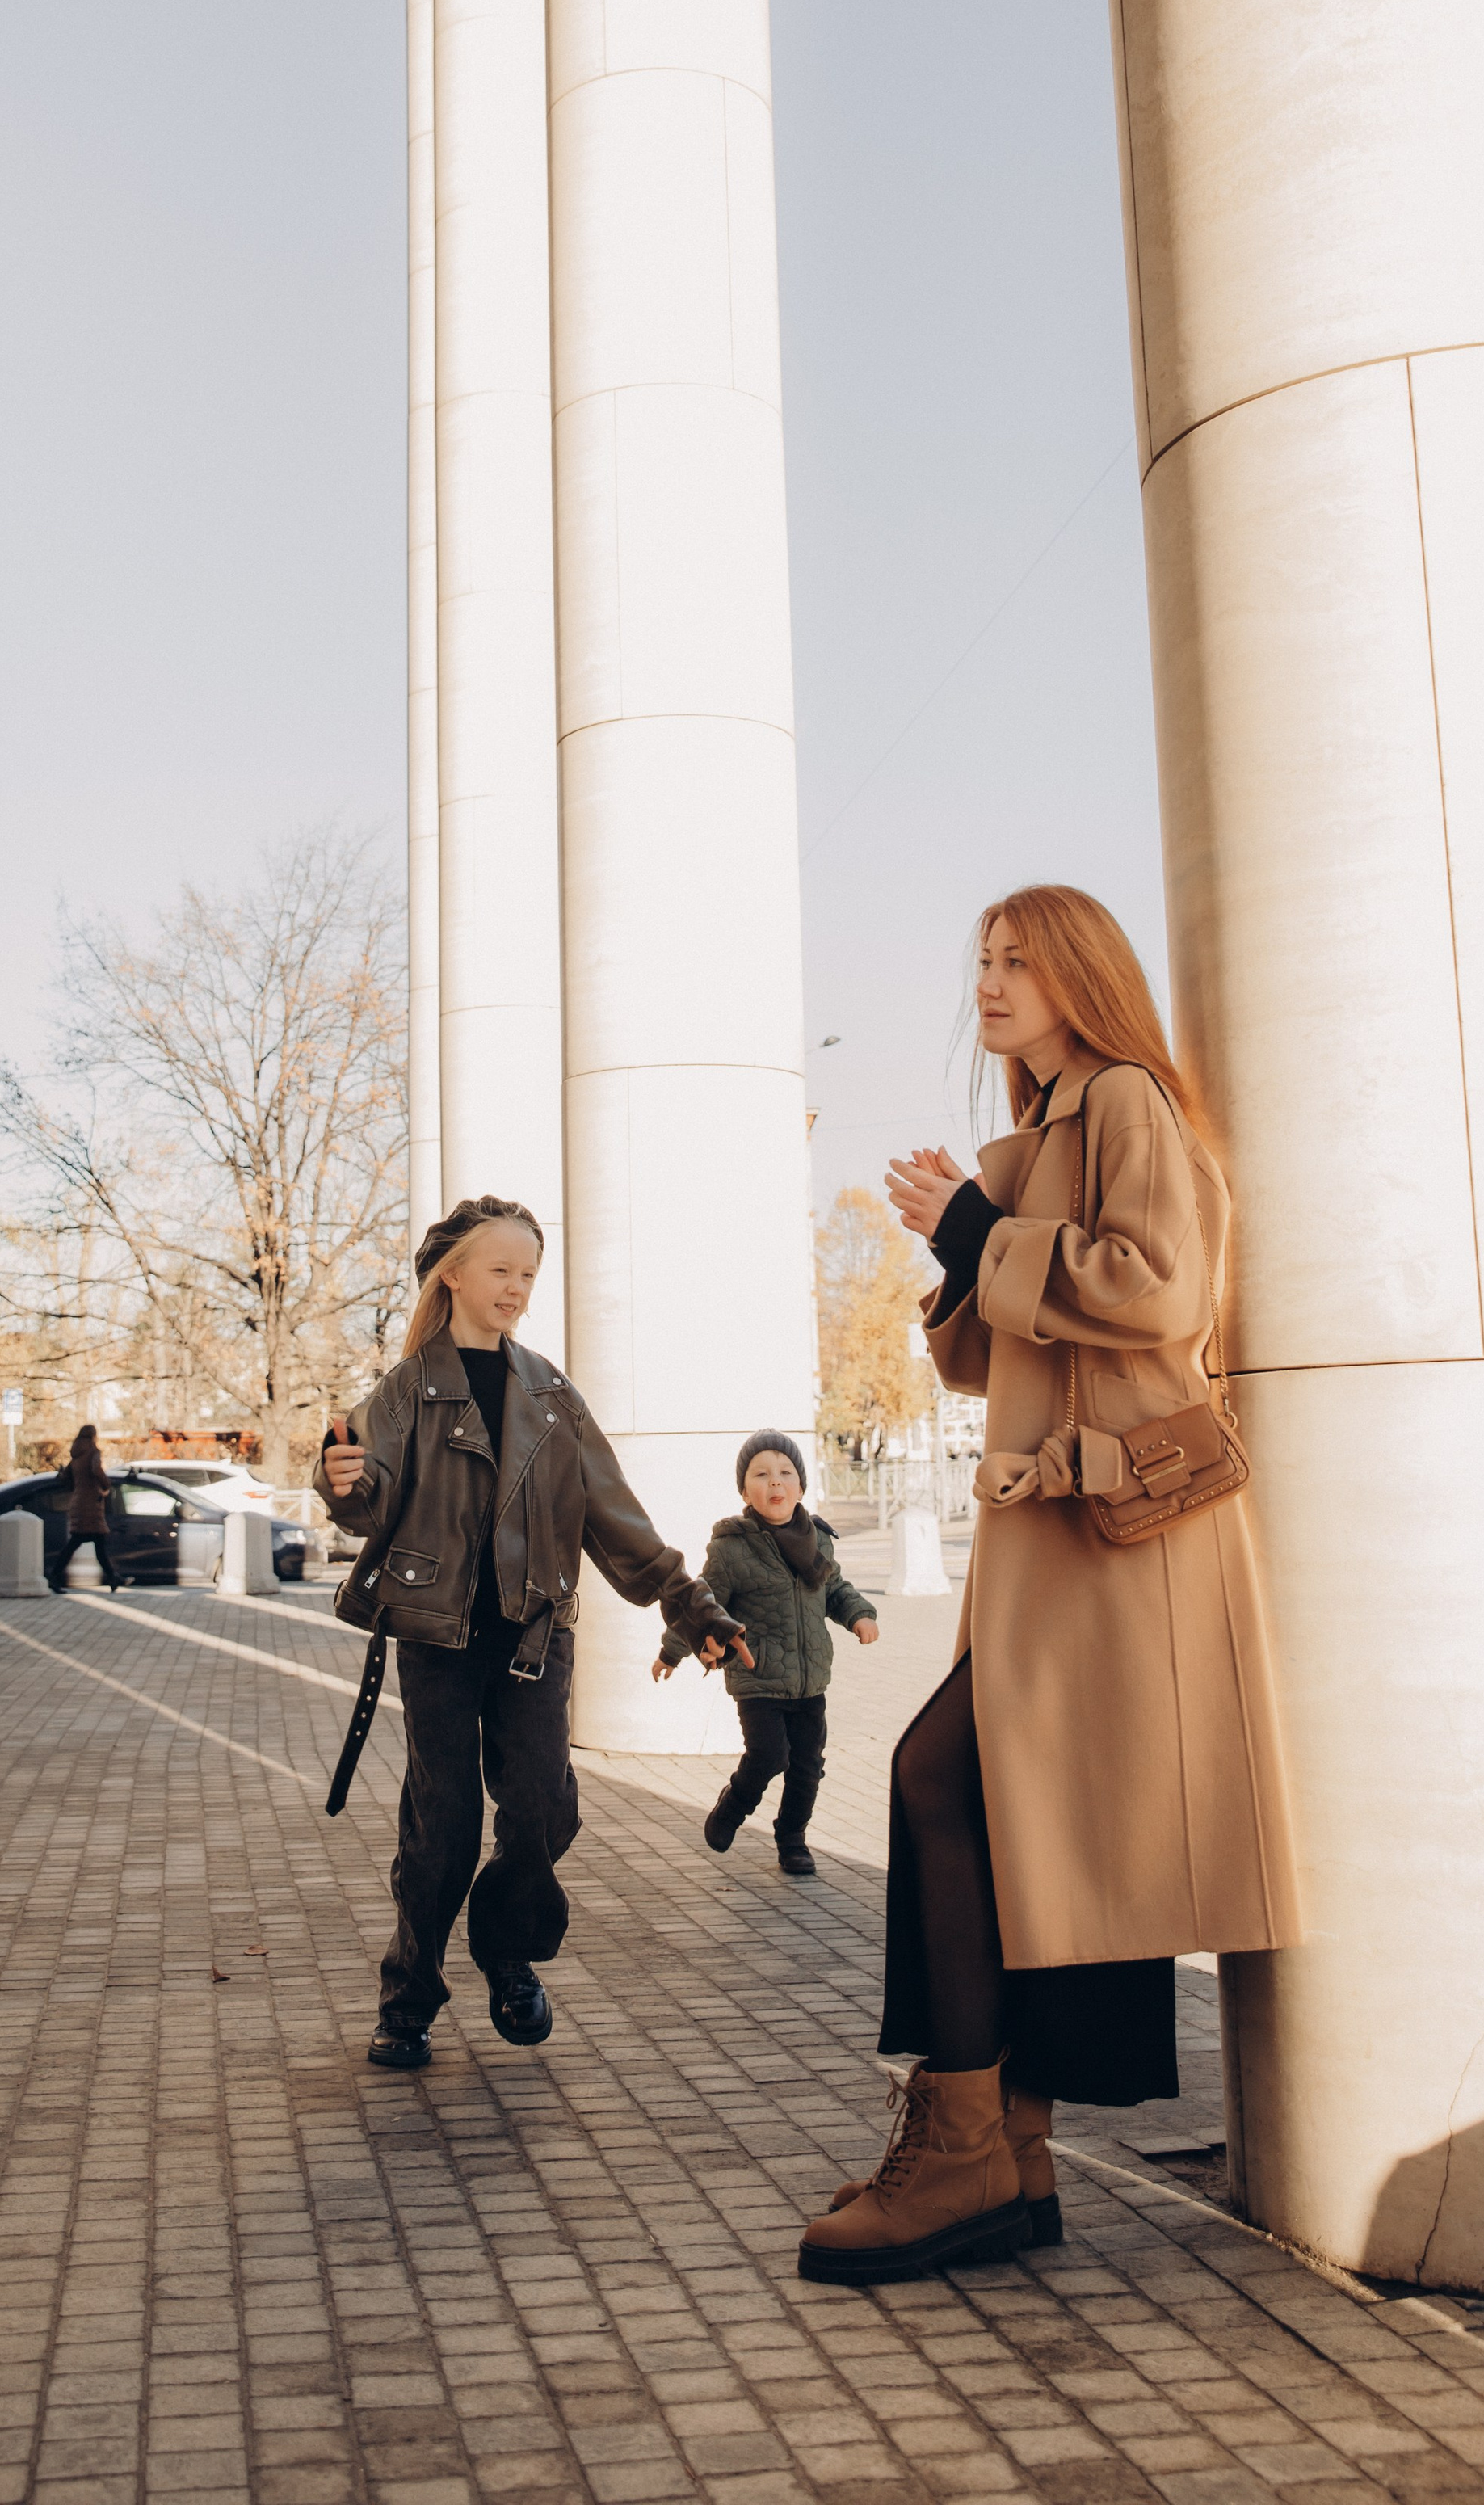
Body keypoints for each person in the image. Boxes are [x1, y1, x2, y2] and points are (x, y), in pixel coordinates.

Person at [798, 885, 1301, 2289]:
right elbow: (982, 1364)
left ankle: (967, 2146)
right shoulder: (1046, 1135)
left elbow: (1157, 1291)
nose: (992, 983)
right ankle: (1002, 2155)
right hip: (1060, 1553)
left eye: (1019, 959)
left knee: (939, 1780)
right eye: (982, 961)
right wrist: (959, 1239)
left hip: (1112, 1542)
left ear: (1084, 973)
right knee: (1001, 1814)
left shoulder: (1127, 1098)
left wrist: (974, 1224)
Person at [322, 1195, 749, 2069]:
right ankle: (409, 1994)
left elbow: (614, 1518)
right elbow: (368, 1502)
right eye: (500, 1271)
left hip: (533, 1642)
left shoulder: (552, 1394)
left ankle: (505, 1950)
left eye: (528, 1274)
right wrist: (339, 1479)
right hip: (438, 1639)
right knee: (440, 1828)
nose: (517, 1288)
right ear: (452, 1275)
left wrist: (690, 1607)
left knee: (545, 1811)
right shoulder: (405, 1391)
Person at [653, 1432, 878, 1880]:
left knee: (807, 1766)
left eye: (785, 1473)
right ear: (745, 1492)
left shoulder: (818, 1540)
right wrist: (672, 1652)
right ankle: (733, 1804)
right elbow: (703, 1603)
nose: (775, 1483)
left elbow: (834, 1588)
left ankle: (792, 1839)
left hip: (810, 1679)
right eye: (761, 1475)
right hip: (757, 1678)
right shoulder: (733, 1548)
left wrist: (859, 1616)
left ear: (800, 1488)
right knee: (769, 1754)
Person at [49, 1424, 118, 1593]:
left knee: (96, 1542)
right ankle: (54, 1577)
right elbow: (96, 1469)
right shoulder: (94, 1452)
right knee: (78, 1543)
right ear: (94, 1436)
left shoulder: (76, 1455)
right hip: (90, 1505)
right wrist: (106, 1485)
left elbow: (65, 1478)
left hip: (78, 1503)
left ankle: (113, 1578)